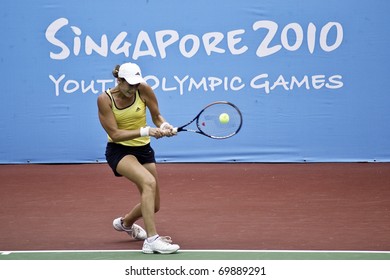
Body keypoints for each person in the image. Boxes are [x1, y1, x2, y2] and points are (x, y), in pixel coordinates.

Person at [97, 62, 180, 254]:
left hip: (143, 150)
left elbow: (156, 115)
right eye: (129, 84)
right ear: (119, 80)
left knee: (154, 204)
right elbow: (116, 134)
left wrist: (165, 125)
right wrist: (147, 130)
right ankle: (152, 240)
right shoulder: (104, 99)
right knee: (148, 182)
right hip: (119, 150)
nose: (133, 88)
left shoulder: (143, 89)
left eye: (136, 84)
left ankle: (125, 223)